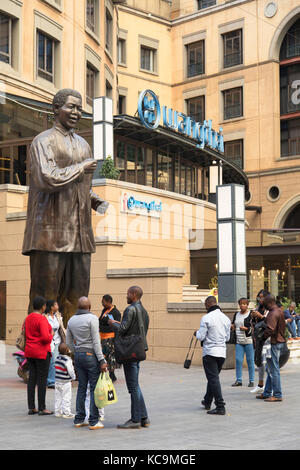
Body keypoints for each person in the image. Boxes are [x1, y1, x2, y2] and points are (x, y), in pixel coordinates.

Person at [22, 88, 108, 323]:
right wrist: (81, 168)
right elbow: (47, 178)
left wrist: (95, 200)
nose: (76, 112)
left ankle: (72, 343)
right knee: (45, 297)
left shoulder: (83, 145)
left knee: (78, 297)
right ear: (56, 109)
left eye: (80, 108)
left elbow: (81, 186)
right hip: (49, 234)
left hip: (80, 236)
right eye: (71, 106)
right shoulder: (43, 141)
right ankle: (37, 344)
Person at [108, 286, 150, 429]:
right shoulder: (144, 311)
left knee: (133, 387)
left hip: (129, 352)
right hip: (137, 350)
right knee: (135, 386)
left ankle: (135, 419)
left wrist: (113, 324)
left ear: (133, 295)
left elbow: (123, 329)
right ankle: (144, 417)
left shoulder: (130, 309)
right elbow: (139, 330)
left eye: (127, 294)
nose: (126, 296)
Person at [66, 297, 107, 430]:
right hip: (91, 356)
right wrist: (101, 360)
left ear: (78, 307)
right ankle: (94, 421)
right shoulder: (92, 319)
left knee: (81, 388)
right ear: (89, 307)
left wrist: (76, 351)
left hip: (78, 356)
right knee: (94, 388)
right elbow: (96, 342)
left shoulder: (71, 320)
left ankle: (79, 419)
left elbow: (68, 343)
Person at [194, 296, 231, 416]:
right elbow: (228, 338)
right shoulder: (226, 319)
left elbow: (201, 336)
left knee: (213, 379)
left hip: (210, 352)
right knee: (213, 378)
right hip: (221, 353)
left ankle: (220, 406)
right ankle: (207, 401)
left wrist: (196, 333)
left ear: (207, 304)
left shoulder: (206, 318)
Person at [24, 296, 53, 416]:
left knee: (32, 379)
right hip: (41, 352)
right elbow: (46, 338)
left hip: (30, 351)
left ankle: (32, 407)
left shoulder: (28, 318)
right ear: (43, 306)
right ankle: (42, 407)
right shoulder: (41, 319)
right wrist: (51, 335)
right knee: (42, 380)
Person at [256, 294, 286, 402]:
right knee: (270, 369)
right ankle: (267, 392)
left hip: (274, 342)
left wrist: (262, 337)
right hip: (278, 341)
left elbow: (270, 329)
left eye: (265, 304)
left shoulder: (273, 313)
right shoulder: (279, 310)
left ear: (269, 303)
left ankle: (277, 394)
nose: (264, 307)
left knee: (273, 370)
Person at [231, 298, 255, 388]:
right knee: (238, 360)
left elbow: (254, 328)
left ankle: (251, 380)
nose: (242, 305)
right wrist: (232, 326)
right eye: (241, 304)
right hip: (239, 342)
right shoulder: (236, 314)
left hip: (248, 341)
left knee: (250, 361)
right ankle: (239, 380)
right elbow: (234, 324)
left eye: (244, 304)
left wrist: (246, 329)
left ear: (247, 305)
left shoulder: (250, 314)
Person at [250, 289, 270, 394]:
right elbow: (254, 324)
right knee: (259, 363)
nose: (260, 299)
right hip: (258, 339)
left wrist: (261, 316)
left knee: (267, 363)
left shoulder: (269, 309)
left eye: (262, 297)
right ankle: (260, 385)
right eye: (259, 297)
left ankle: (268, 387)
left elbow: (269, 322)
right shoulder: (258, 308)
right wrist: (253, 317)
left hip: (267, 340)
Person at [99, 294, 121, 383]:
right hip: (102, 336)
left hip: (110, 338)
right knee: (104, 355)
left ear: (108, 302)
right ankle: (106, 372)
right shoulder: (104, 310)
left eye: (103, 302)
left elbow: (117, 325)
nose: (102, 303)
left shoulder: (116, 312)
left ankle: (112, 374)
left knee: (111, 355)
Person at [44, 300, 66, 388]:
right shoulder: (45, 317)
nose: (58, 305)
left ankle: (52, 380)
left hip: (57, 341)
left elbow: (61, 327)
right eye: (56, 304)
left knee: (54, 361)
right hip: (48, 341)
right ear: (51, 307)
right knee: (50, 361)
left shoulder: (58, 316)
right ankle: (50, 380)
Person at [54, 342, 76, 418]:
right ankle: (66, 413)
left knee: (58, 397)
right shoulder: (68, 360)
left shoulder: (57, 358)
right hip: (65, 382)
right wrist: (73, 377)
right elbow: (71, 370)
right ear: (67, 350)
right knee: (66, 397)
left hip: (57, 381)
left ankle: (57, 411)